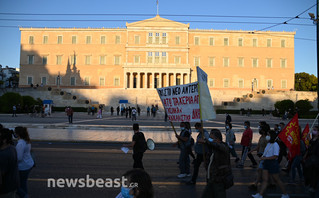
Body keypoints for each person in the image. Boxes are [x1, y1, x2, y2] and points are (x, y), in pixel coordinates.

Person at [252, 130, 289, 198]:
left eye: (268, 135)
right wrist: (263, 158)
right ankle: (260, 194)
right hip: (266, 163)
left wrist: (265, 158)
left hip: (272, 163)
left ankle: (285, 194)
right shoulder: (269, 144)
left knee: (277, 179)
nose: (267, 136)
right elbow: (266, 153)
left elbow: (275, 156)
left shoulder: (275, 145)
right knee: (265, 179)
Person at [200, 129, 232, 198]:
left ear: (217, 138)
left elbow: (217, 146)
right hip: (211, 178)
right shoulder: (212, 149)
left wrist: (206, 142)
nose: (210, 139)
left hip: (219, 178)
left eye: (211, 138)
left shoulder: (223, 147)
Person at [15, 126, 35, 198]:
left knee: (16, 185)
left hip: (23, 166)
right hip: (29, 164)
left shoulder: (20, 144)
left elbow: (19, 158)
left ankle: (24, 196)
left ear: (18, 134)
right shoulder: (27, 140)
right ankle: (25, 194)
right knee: (23, 183)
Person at [248, 124, 269, 190]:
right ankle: (271, 183)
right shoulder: (261, 137)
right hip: (261, 156)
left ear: (263, 131)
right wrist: (251, 151)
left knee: (260, 170)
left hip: (265, 157)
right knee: (267, 172)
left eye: (261, 129)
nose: (259, 130)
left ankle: (256, 185)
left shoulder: (267, 138)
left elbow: (268, 148)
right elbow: (258, 146)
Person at [0, 128, 19, 197]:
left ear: (4, 140)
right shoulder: (12, 148)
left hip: (5, 189)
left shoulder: (3, 155)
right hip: (12, 185)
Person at [303, 126, 319, 197]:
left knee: (314, 175)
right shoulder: (312, 139)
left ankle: (313, 187)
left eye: (315, 130)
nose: (313, 131)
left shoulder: (317, 141)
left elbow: (314, 148)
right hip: (311, 161)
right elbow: (310, 148)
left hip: (315, 162)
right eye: (313, 130)